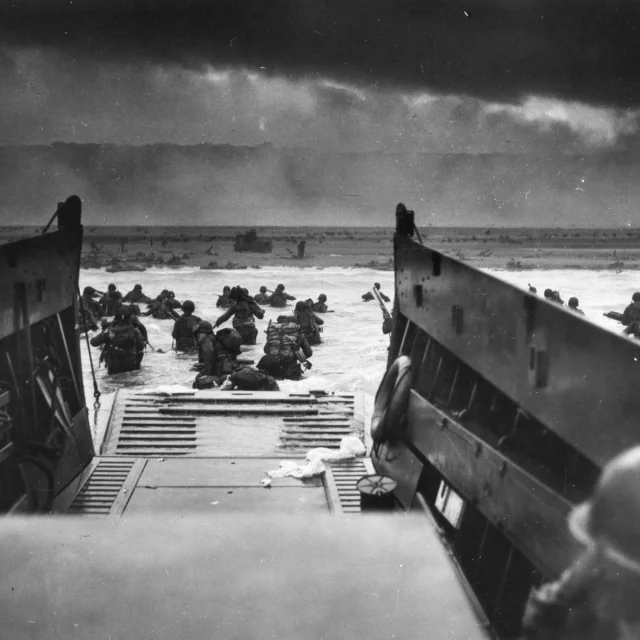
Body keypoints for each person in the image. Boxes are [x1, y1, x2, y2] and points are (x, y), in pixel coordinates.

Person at [522, 445, 640, 639]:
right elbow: (540, 621)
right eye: (598, 550)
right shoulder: (598, 568)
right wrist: (565, 592)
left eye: (616, 559)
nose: (598, 566)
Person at [89, 307, 145, 374]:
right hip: (131, 365)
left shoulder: (109, 332)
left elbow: (93, 342)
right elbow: (141, 347)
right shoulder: (135, 331)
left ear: (115, 317)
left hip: (114, 366)